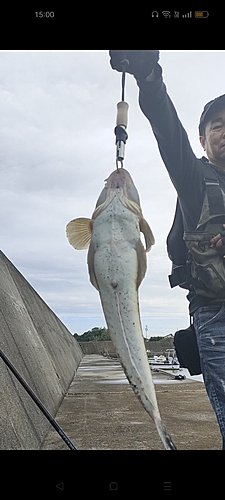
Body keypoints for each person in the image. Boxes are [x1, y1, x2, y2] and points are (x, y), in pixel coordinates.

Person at [109, 50, 225, 449]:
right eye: (217, 126)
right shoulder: (196, 180)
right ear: (203, 139)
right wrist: (148, 76)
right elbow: (167, 129)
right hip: (216, 318)